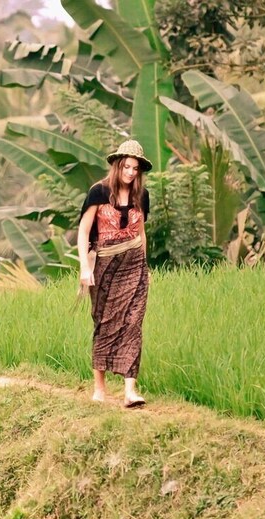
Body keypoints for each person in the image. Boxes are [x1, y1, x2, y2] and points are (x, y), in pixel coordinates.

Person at [77, 139, 151, 408]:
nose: (131, 172)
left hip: (134, 265)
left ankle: (130, 391)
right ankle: (99, 388)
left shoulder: (141, 195)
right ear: (118, 165)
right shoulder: (99, 191)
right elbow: (84, 231)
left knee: (133, 324)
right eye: (127, 167)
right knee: (105, 324)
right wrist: (85, 268)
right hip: (105, 266)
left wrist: (146, 267)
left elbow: (142, 233)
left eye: (135, 168)